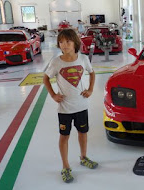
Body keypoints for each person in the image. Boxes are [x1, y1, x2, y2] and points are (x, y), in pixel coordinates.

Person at [43, 29, 98, 183]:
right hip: (65, 109)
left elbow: (92, 73)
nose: (64, 45)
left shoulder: (83, 59)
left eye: (68, 41)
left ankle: (83, 157)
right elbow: (46, 78)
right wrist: (53, 95)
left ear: (75, 42)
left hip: (81, 106)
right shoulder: (56, 62)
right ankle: (65, 167)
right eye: (61, 42)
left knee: (83, 133)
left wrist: (91, 89)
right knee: (64, 136)